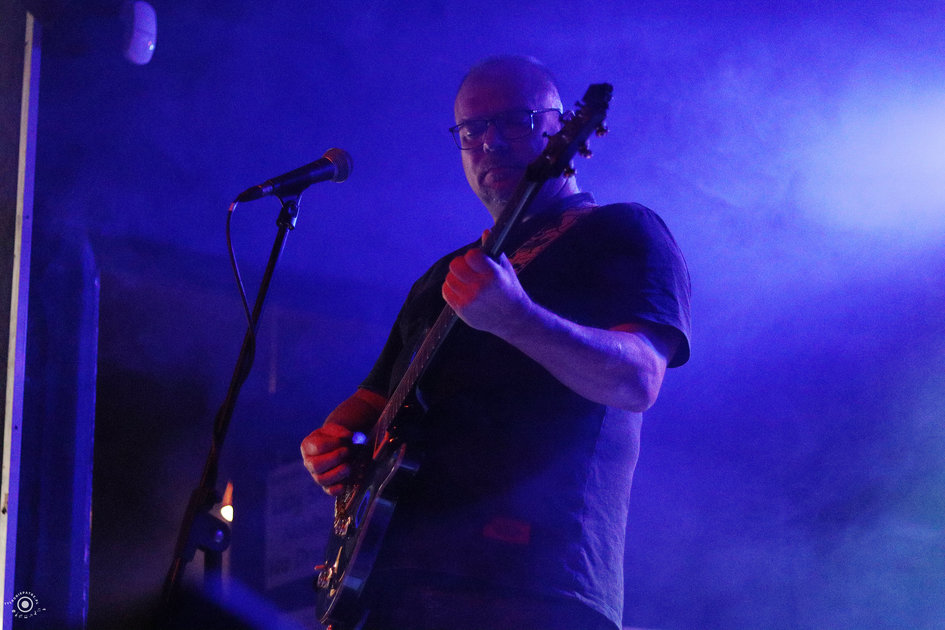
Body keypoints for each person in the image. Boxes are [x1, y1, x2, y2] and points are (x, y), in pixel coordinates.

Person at [301, 55, 691, 630]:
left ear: (561, 128)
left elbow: (637, 380)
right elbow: (370, 403)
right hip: (394, 584)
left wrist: (516, 318)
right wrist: (331, 444)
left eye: (515, 121)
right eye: (472, 130)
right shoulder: (443, 276)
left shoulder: (620, 230)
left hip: (531, 584)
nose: (491, 143)